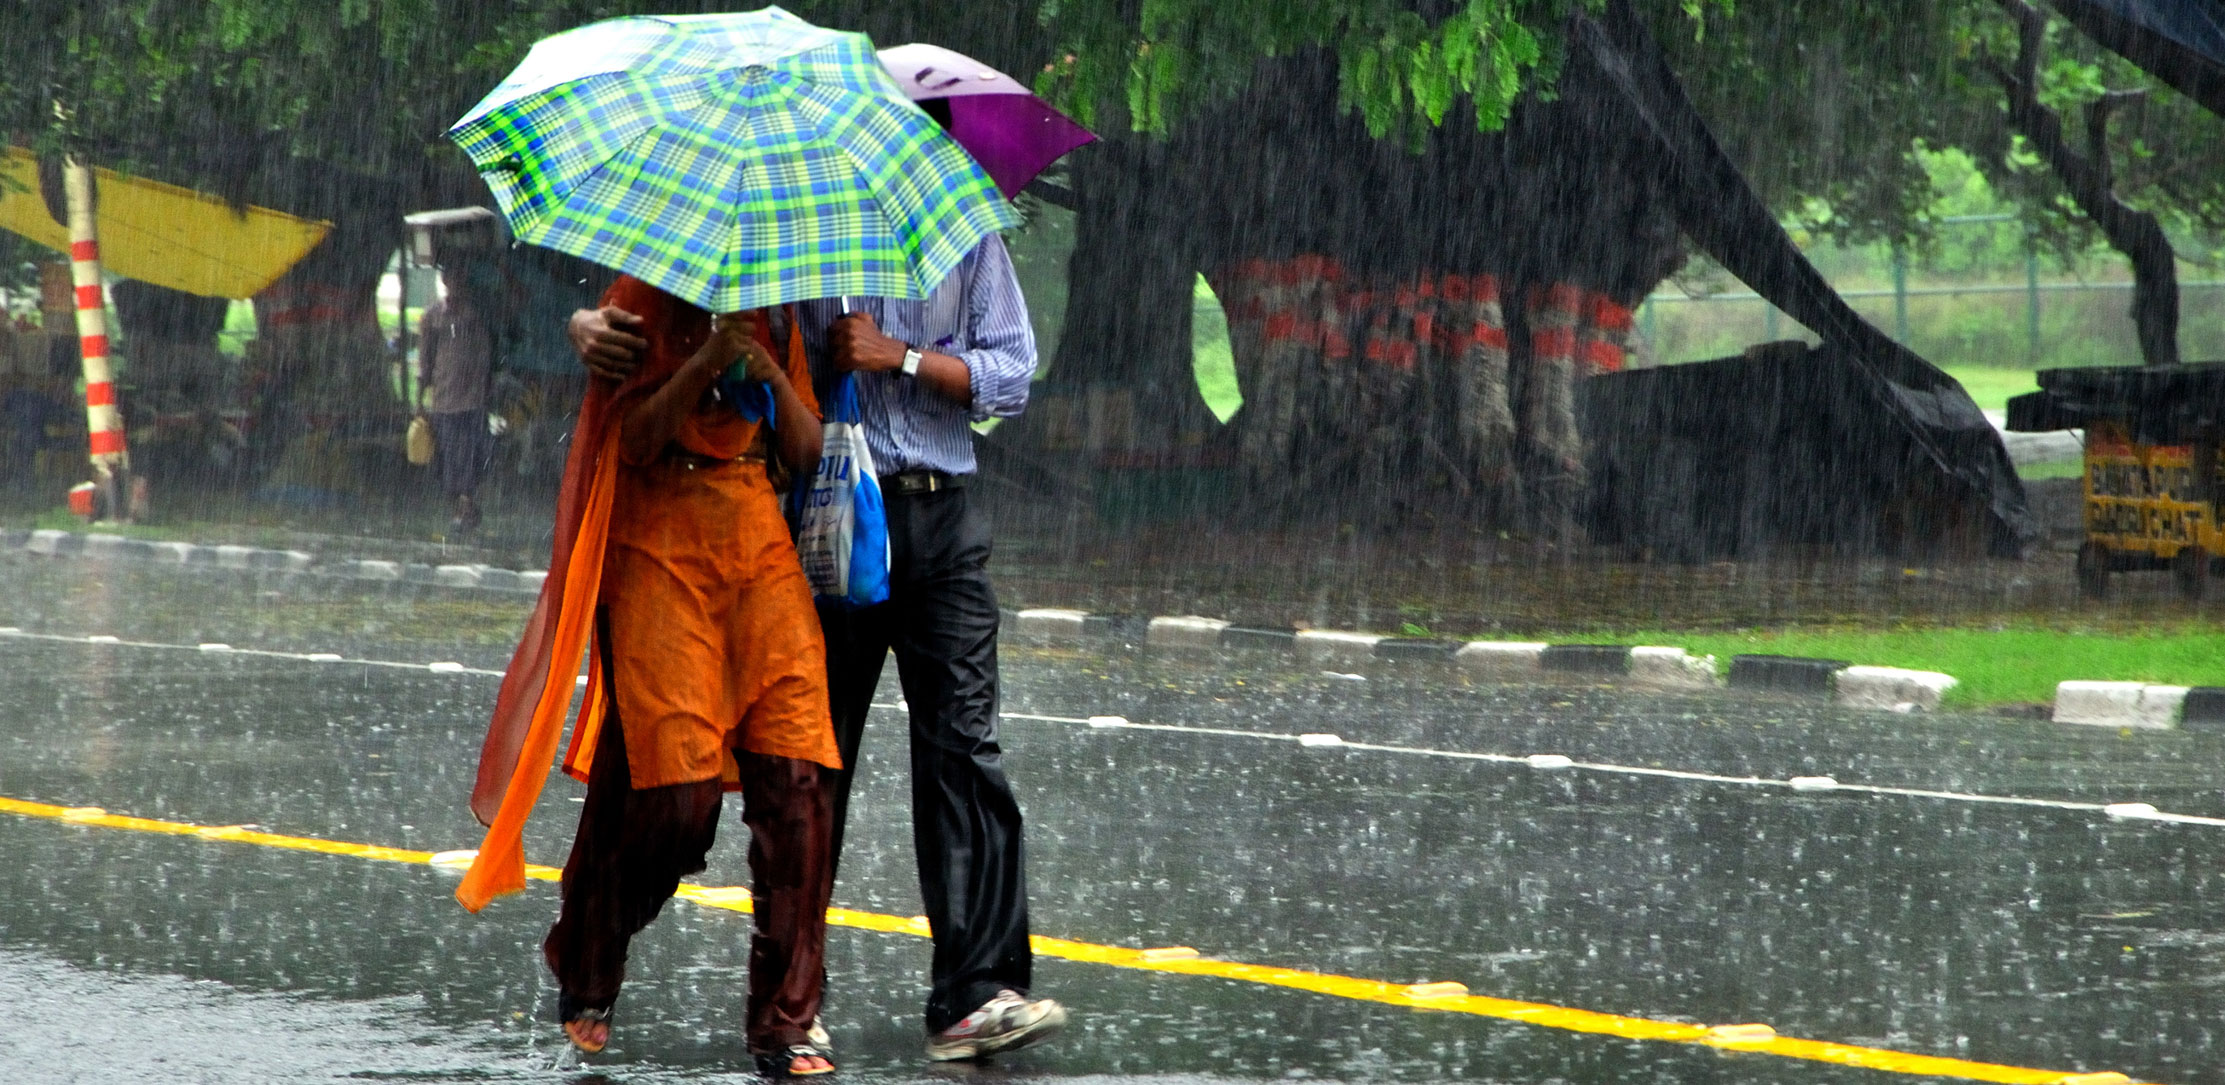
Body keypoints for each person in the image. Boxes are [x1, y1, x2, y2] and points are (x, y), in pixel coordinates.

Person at [568, 231, 1065, 1061]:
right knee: (796, 771)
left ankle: (964, 995)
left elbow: (1009, 377)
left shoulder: (965, 244)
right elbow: (672, 332)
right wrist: (585, 324)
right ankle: (778, 990)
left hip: (935, 513)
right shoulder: (798, 245)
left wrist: (897, 357)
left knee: (958, 749)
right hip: (826, 522)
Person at [462, 275, 843, 1077]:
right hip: (656, 534)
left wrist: (764, 366)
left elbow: (807, 450)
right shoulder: (633, 305)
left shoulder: (779, 310)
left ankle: (785, 1020)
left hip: (756, 539)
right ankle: (590, 944)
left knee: (799, 782)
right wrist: (708, 357)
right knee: (677, 797)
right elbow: (629, 439)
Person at [417, 262, 497, 536]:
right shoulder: (432, 317)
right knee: (449, 458)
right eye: (451, 277)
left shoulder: (479, 315)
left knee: (473, 454)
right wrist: (419, 402)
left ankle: (466, 505)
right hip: (445, 401)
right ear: (444, 280)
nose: (456, 283)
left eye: (460, 277)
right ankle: (462, 506)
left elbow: (488, 354)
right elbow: (425, 362)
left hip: (474, 400)